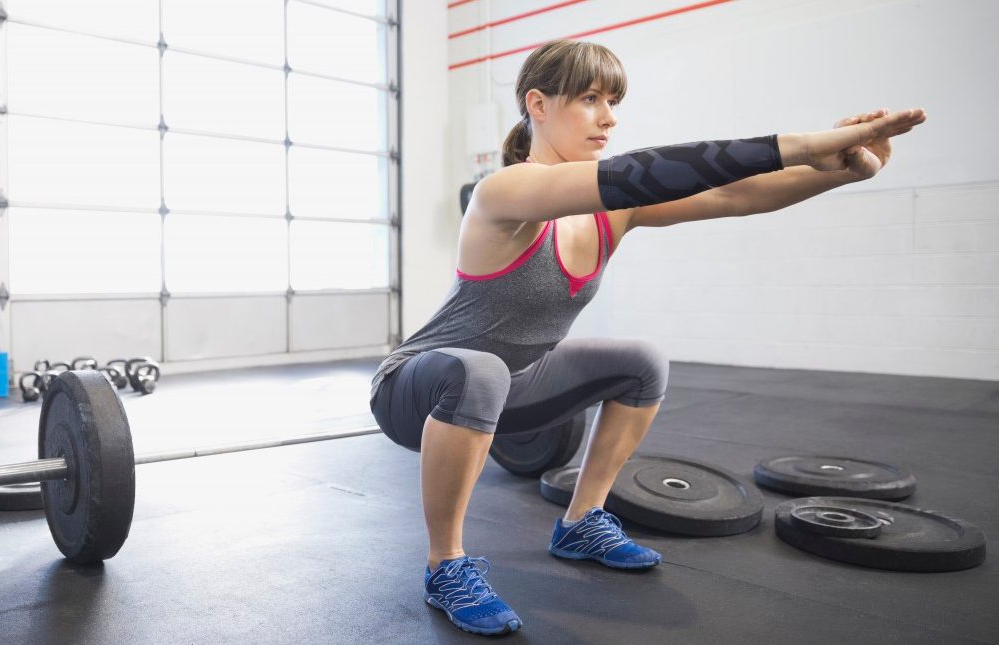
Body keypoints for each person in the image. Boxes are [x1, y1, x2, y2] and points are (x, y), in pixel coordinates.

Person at [367, 39, 926, 636]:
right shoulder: (504, 193)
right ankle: (445, 565)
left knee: (642, 362)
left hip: (515, 383)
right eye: (589, 99)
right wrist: (816, 141)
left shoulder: (613, 211)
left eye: (613, 101)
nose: (609, 117)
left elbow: (733, 195)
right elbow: (647, 171)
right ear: (538, 104)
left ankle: (581, 522)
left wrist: (837, 171)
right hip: (415, 387)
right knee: (481, 371)